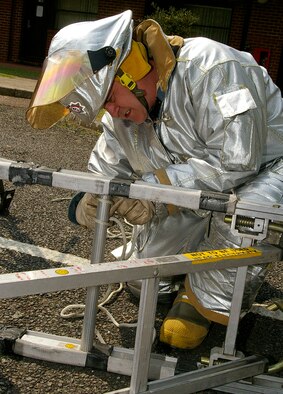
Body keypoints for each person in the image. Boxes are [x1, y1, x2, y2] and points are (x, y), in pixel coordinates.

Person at [26, 10, 283, 350]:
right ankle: (185, 271)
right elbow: (111, 162)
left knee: (250, 211)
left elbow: (236, 160)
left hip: (268, 169)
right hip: (198, 183)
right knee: (143, 280)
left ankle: (205, 302)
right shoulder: (128, 110)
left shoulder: (215, 68)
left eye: (111, 100)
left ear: (132, 70)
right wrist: (96, 195)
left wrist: (157, 191)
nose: (113, 113)